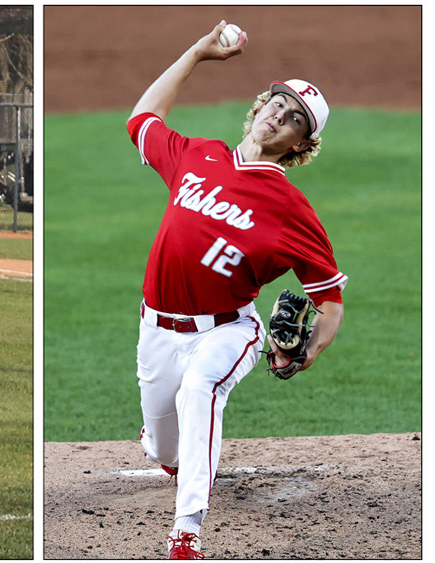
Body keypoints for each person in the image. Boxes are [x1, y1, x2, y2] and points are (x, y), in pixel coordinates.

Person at [126, 21, 347, 559]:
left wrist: (303, 355)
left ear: (301, 145)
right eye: (278, 103)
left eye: (295, 119)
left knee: (201, 388)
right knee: (164, 448)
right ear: (259, 106)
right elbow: (142, 119)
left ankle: (186, 533)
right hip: (156, 328)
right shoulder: (198, 155)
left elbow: (330, 301)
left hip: (226, 331)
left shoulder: (290, 207)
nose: (280, 116)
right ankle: (173, 458)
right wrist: (198, 53)